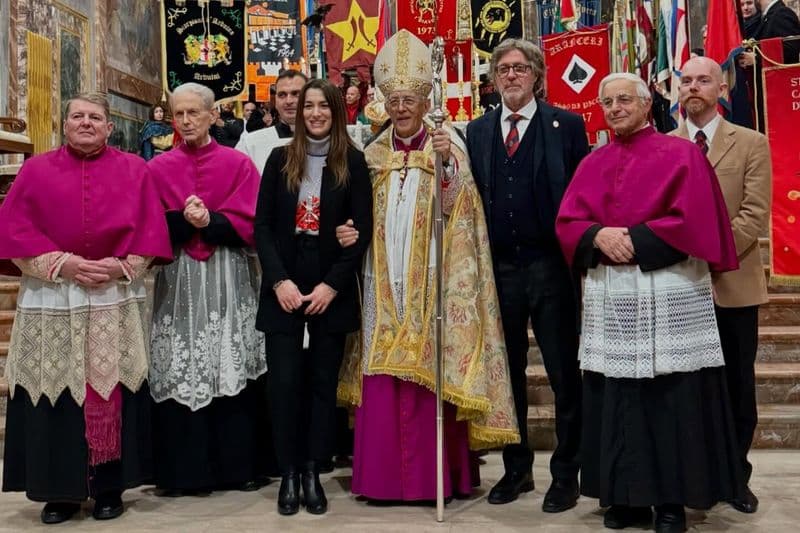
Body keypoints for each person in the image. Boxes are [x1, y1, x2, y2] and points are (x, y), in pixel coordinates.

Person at [556, 72, 745, 532]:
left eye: (624, 99)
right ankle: (623, 497)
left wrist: (637, 240)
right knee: (615, 396)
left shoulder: (681, 154)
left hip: (669, 290)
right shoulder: (592, 161)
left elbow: (696, 219)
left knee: (669, 398)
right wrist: (596, 235)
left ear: (647, 104)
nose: (615, 108)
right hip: (613, 298)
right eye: (607, 102)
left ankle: (669, 502)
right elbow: (567, 220)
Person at [336, 29, 519, 503]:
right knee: (383, 370)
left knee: (428, 371)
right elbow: (355, 211)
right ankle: (381, 480)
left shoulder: (448, 145)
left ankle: (432, 480)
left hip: (432, 281)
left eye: (409, 99)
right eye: (394, 99)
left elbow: (465, 212)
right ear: (384, 102)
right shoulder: (371, 154)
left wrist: (446, 169)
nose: (401, 107)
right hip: (382, 279)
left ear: (423, 101)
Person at [0, 92, 172, 524]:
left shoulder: (135, 169)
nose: (86, 122)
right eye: (78, 116)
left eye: (95, 117)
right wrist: (64, 264)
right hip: (53, 295)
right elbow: (14, 233)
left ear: (110, 127)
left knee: (112, 389)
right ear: (64, 123)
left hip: (112, 296)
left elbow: (151, 233)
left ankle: (109, 488)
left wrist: (120, 266)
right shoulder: (37, 170)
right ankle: (59, 491)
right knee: (53, 391)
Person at [465, 38, 589, 511]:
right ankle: (517, 470)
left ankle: (566, 473)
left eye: (520, 68)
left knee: (562, 372)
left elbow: (580, 195)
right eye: (503, 69)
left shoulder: (567, 126)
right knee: (507, 372)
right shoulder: (476, 131)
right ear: (494, 78)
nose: (511, 76)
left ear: (537, 75)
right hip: (498, 267)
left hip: (551, 265)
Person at [255, 79, 372, 515]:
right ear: (298, 113)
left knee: (323, 385)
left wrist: (332, 285)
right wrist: (279, 281)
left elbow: (361, 231)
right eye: (309, 106)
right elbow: (262, 226)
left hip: (329, 283)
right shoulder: (279, 158)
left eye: (324, 106)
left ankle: (311, 471)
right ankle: (287, 471)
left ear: (336, 112)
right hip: (285, 280)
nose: (316, 113)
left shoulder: (353, 162)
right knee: (284, 384)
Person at [147, 83, 268, 494]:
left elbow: (254, 223)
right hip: (178, 276)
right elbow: (148, 224)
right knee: (182, 363)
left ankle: (237, 468)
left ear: (212, 115)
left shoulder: (238, 164)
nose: (185, 121)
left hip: (228, 274)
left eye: (193, 113)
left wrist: (212, 222)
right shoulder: (157, 168)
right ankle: (184, 473)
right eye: (178, 114)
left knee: (227, 360)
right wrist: (183, 222)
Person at [674, 56, 772, 514]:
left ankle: (737, 478)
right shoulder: (665, 145)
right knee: (687, 390)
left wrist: (704, 253)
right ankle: (692, 476)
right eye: (686, 80)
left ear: (722, 86)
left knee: (736, 388)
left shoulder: (751, 143)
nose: (693, 87)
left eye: (702, 80)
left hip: (732, 284)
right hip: (676, 287)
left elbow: (753, 214)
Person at [236, 70, 308, 174]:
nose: (289, 101)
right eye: (282, 95)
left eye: (296, 94)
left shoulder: (326, 142)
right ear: (276, 102)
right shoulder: (250, 143)